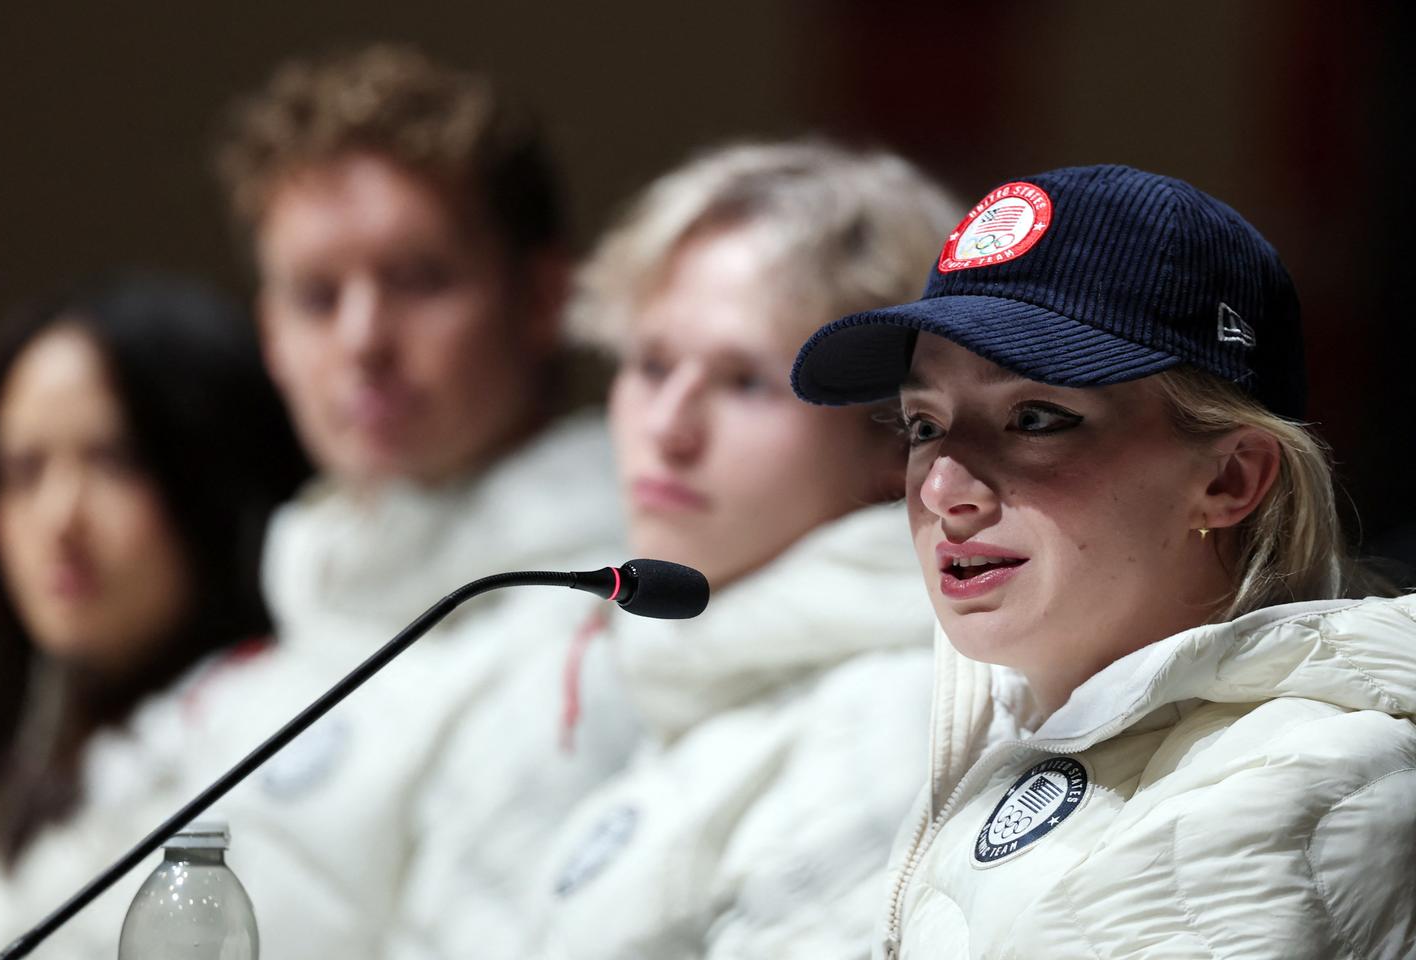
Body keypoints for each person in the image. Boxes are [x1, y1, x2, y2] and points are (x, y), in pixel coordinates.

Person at [790, 163, 1416, 959]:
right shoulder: (1005, 737)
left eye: (1037, 417)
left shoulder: (1306, 787)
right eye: (923, 424)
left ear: (1229, 480)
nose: (944, 486)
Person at [184, 44, 632, 959]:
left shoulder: (610, 617)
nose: (363, 339)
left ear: (544, 298)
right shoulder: (280, 616)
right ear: (269, 333)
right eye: (316, 296)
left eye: (419, 279)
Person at [504, 140, 977, 959]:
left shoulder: (893, 712)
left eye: (745, 382)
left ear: (893, 432)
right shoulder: (679, 670)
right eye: (650, 365)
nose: (668, 429)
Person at [0, 272, 307, 956]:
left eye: (111, 459)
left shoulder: (300, 733)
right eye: (22, 470)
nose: (58, 517)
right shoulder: (27, 767)